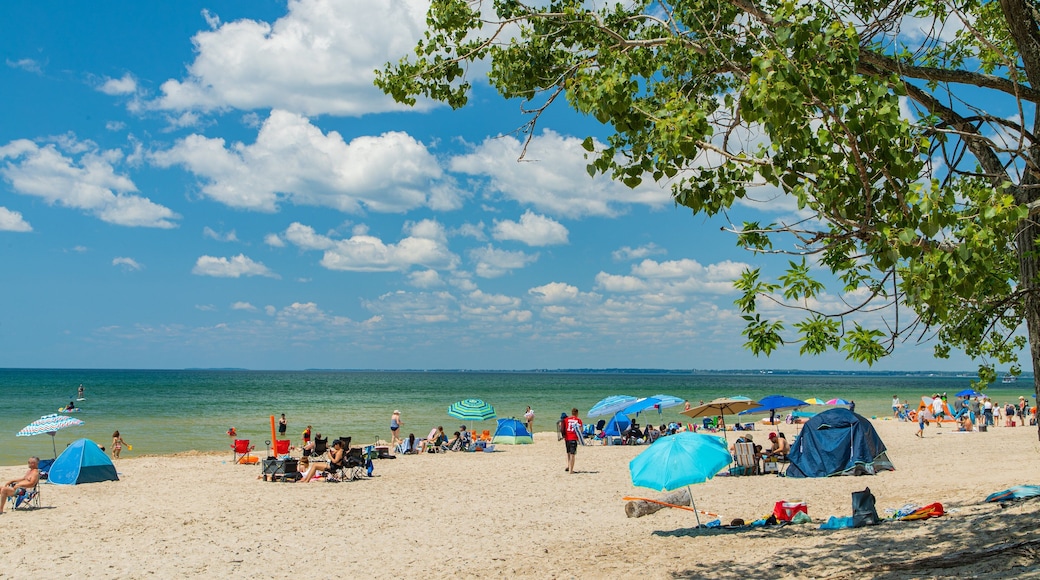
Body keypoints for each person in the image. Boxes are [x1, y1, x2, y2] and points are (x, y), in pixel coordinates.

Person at [561, 408, 583, 473]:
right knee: (572, 454)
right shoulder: (578, 420)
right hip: (573, 438)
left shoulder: (566, 419)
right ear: (577, 413)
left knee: (568, 453)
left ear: (572, 413)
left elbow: (562, 427)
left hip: (567, 438)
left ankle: (568, 466)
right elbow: (581, 430)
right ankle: (571, 470)